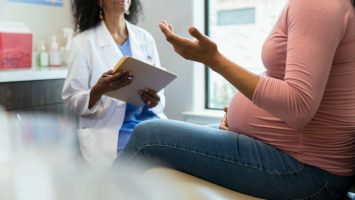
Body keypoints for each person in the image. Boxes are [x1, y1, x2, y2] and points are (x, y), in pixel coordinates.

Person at [117, 0, 355, 199]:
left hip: (306, 171)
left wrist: (215, 60)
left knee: (149, 136)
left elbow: (298, 107)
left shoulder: (318, 4)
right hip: (297, 156)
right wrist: (241, 117)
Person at [62, 0, 166, 166]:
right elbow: (72, 99)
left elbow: (160, 89)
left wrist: (155, 99)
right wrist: (98, 90)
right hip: (113, 132)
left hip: (150, 124)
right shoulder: (82, 43)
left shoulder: (145, 38)